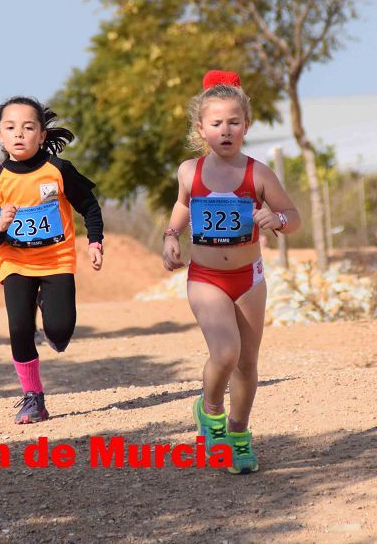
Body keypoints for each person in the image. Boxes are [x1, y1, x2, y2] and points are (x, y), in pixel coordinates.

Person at [162, 70, 301, 474]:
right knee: (225, 352)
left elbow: (294, 217)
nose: (226, 130)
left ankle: (239, 437)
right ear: (201, 128)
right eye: (217, 123)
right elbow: (183, 206)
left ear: (246, 126)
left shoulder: (258, 173)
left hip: (249, 278)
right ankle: (211, 415)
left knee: (247, 363)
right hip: (206, 277)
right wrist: (171, 235)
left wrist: (275, 219)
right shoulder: (190, 171)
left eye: (234, 122)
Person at [0, 96, 104, 424]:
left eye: (28, 127)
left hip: (56, 260)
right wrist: (1, 225)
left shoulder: (58, 170)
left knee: (60, 334)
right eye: (10, 127)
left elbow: (89, 206)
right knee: (19, 328)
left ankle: (50, 306)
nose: (19, 133)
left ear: (42, 135)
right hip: (15, 262)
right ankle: (33, 398)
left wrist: (95, 241)